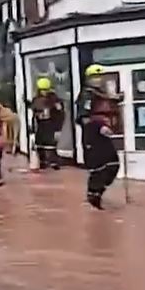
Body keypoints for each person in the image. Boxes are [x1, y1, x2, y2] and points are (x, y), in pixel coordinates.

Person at [75, 64, 122, 209]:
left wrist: (116, 100)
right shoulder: (87, 95)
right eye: (95, 77)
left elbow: (109, 107)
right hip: (92, 136)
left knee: (113, 163)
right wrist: (99, 127)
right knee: (99, 167)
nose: (99, 80)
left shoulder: (101, 94)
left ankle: (98, 192)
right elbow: (83, 117)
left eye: (100, 77)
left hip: (104, 134)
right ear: (88, 79)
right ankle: (93, 196)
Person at [30, 77, 65, 170]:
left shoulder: (54, 99)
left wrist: (58, 128)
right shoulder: (36, 99)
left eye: (46, 90)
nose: (44, 92)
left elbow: (60, 113)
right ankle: (42, 162)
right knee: (39, 143)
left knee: (51, 144)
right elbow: (34, 111)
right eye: (42, 90)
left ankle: (54, 162)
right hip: (40, 124)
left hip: (51, 123)